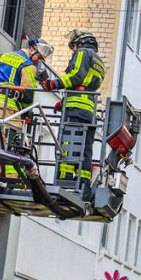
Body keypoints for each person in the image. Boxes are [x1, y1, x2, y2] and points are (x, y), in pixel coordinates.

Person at [40, 29, 105, 194]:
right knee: (85, 147)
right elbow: (85, 84)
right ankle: (83, 181)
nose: (74, 50)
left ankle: (66, 179)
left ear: (80, 42)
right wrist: (63, 102)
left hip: (76, 108)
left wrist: (53, 84)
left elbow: (76, 76)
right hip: (88, 109)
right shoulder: (98, 60)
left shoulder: (83, 52)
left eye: (74, 46)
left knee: (68, 143)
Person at [0, 38, 54, 149]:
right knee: (13, 147)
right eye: (38, 57)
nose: (38, 61)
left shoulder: (4, 56)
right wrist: (25, 114)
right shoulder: (29, 66)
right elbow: (28, 96)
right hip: (7, 109)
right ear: (32, 49)